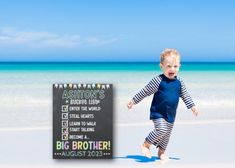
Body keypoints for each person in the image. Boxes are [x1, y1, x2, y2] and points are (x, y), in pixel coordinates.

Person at [127, 48, 198, 160]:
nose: (172, 69)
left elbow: (185, 95)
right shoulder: (158, 80)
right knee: (162, 130)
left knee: (166, 135)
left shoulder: (179, 82)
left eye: (175, 66)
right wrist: (134, 100)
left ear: (179, 66)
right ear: (162, 66)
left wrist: (192, 106)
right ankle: (146, 144)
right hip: (158, 112)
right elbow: (146, 91)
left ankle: (161, 153)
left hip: (171, 114)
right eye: (168, 66)